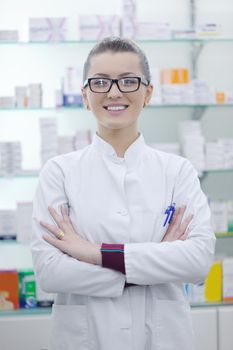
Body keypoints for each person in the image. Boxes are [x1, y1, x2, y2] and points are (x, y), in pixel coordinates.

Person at [31, 37, 216, 350]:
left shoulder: (178, 171)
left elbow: (197, 261)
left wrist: (94, 253)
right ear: (86, 96)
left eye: (128, 81)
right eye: (100, 82)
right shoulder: (58, 172)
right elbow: (51, 272)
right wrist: (151, 264)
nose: (114, 92)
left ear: (148, 93)